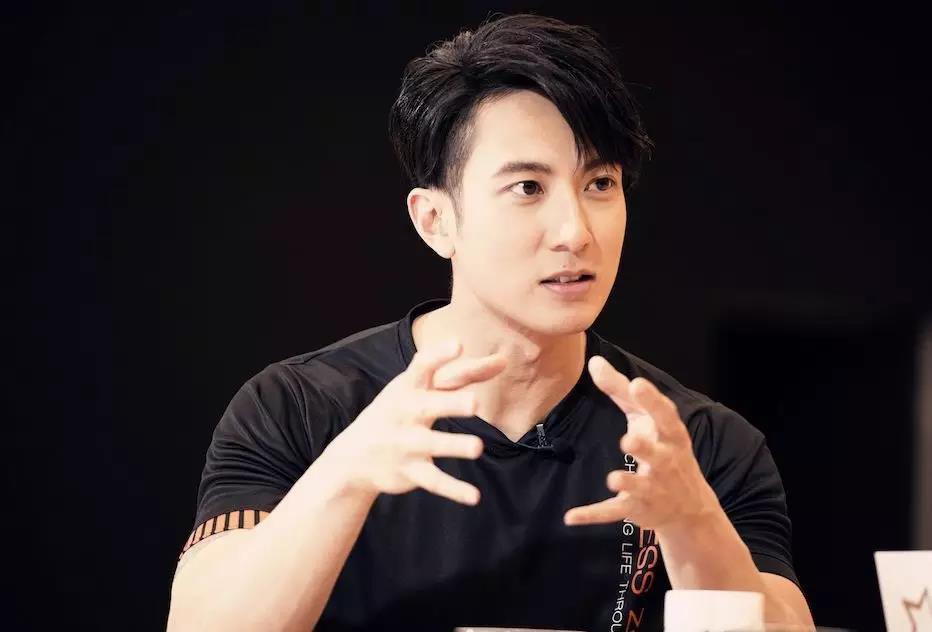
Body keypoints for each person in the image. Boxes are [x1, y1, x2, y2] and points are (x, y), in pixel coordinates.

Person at [167, 13, 815, 631]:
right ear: (435, 221)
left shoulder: (698, 445)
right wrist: (345, 476)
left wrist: (694, 520)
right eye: (528, 188)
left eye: (600, 184)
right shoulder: (298, 410)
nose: (575, 232)